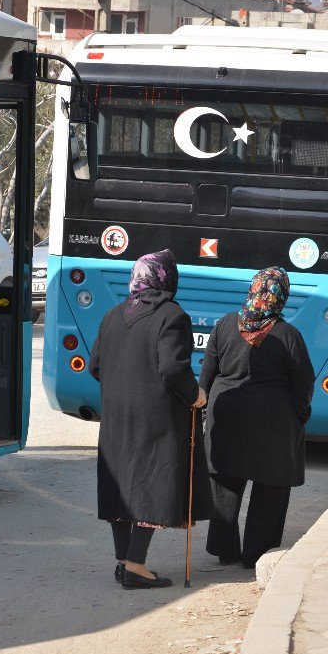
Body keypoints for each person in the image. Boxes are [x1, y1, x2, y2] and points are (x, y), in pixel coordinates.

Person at [90, 249, 211, 589]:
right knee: (149, 484)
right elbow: (173, 368)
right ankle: (135, 565)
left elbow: (95, 365)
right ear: (167, 277)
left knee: (122, 485)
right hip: (156, 417)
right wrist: (195, 395)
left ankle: (122, 561)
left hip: (116, 417)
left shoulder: (114, 314)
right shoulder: (171, 315)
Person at [199, 267, 315, 569]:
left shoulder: (224, 325)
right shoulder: (288, 335)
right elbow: (304, 383)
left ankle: (225, 549)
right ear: (280, 295)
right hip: (272, 425)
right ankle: (256, 554)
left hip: (227, 419)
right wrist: (301, 415)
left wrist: (204, 416)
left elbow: (207, 377)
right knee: (270, 489)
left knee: (225, 485)